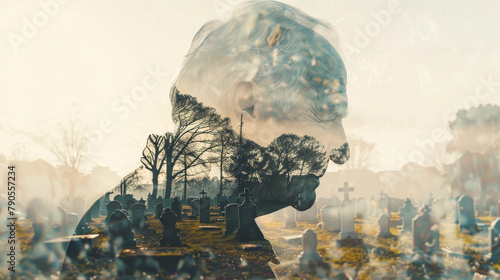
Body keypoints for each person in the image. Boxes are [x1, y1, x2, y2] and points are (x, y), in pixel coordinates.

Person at [61, 1, 350, 278]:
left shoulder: (219, 226)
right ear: (247, 104)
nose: (341, 152)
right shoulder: (141, 246)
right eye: (327, 115)